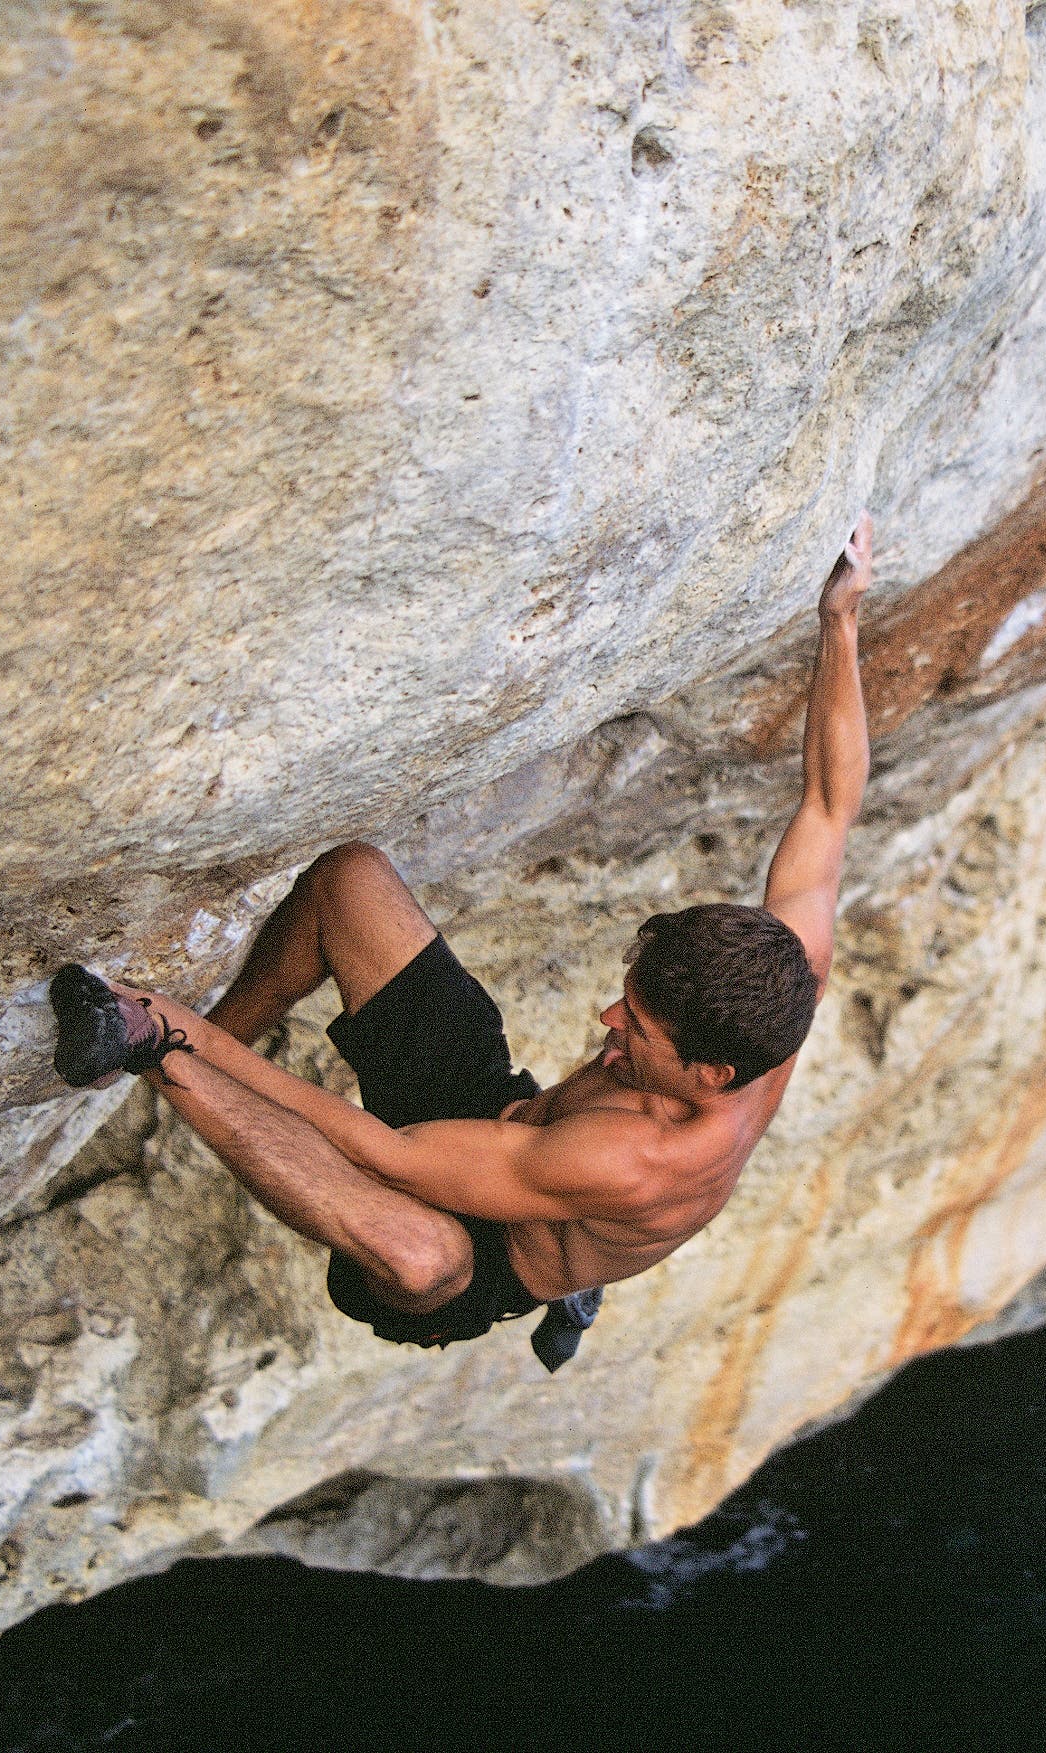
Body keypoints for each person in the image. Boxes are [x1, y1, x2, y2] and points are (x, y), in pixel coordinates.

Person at [48, 516, 875, 1370]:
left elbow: (389, 1154)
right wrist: (841, 617)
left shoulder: (638, 1160)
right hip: (502, 1123)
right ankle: (212, 1035)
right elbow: (828, 804)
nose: (607, 1018)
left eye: (637, 1025)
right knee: (351, 880)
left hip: (487, 1254)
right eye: (626, 1001)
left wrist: (178, 1029)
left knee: (419, 1254)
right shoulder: (780, 988)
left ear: (714, 1075)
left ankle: (151, 1043)